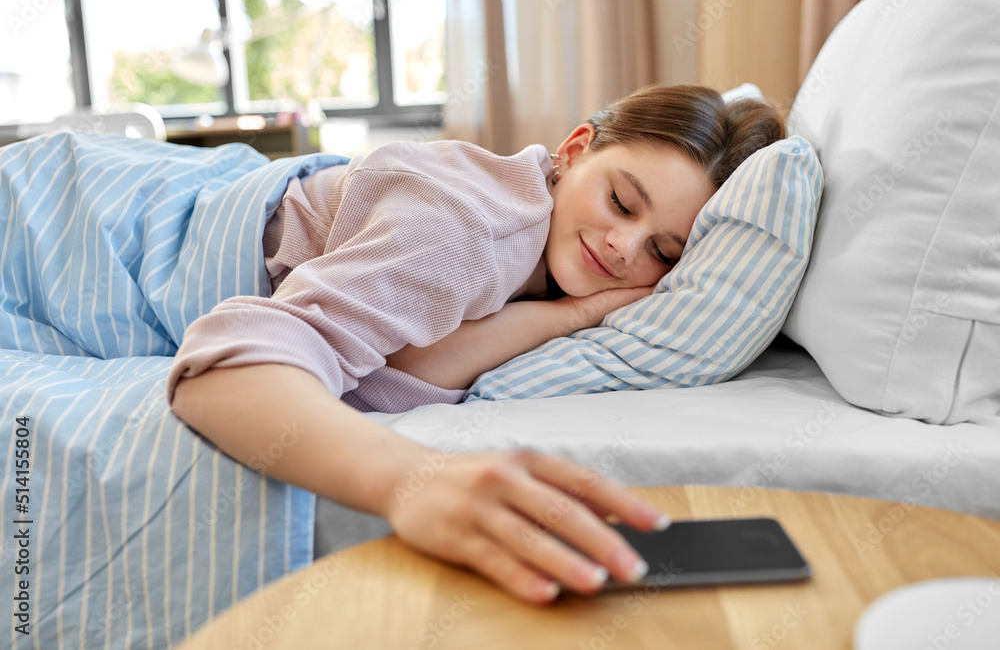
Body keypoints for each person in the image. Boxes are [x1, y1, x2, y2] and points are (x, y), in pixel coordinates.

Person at [168, 83, 786, 605]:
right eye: (621, 202)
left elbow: (408, 360)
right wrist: (409, 482)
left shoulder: (541, 246)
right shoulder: (463, 228)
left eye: (663, 252)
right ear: (573, 151)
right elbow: (235, 362)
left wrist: (574, 314)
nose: (626, 247)